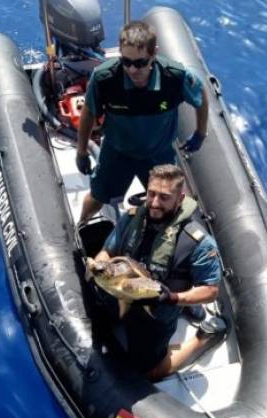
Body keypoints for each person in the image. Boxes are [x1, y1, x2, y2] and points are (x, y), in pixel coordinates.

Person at [91, 164, 225, 380]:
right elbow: (107, 250)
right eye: (151, 194)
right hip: (121, 292)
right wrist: (100, 266)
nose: (154, 203)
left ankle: (204, 336)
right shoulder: (132, 217)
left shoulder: (200, 243)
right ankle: (188, 308)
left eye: (164, 197)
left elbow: (210, 290)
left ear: (180, 199)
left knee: (148, 373)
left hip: (158, 311)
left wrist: (172, 298)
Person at [76, 21, 209, 223]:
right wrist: (82, 150)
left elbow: (201, 95)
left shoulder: (174, 77)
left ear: (153, 54)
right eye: (125, 61)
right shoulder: (104, 78)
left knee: (168, 204)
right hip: (118, 152)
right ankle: (81, 225)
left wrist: (200, 133)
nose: (132, 69)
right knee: (97, 197)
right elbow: (88, 114)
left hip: (159, 154)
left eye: (139, 63)